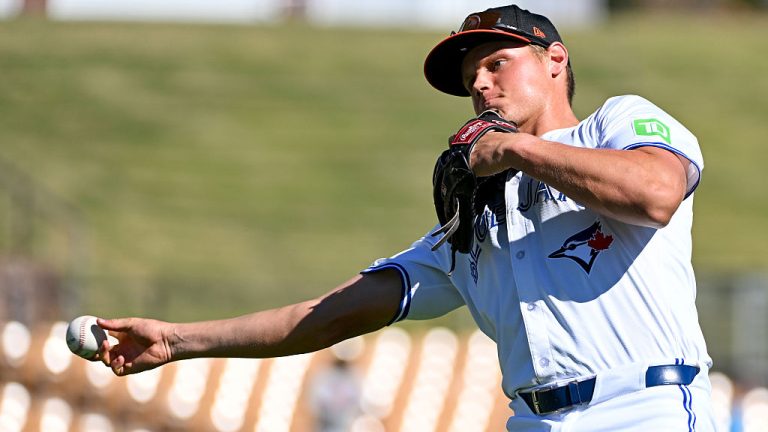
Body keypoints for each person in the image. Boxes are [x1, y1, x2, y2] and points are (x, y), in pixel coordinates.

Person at [96, 5, 715, 431]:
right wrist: (179, 340)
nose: (479, 82)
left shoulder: (614, 125)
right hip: (533, 420)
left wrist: (515, 149)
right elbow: (325, 316)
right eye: (472, 77)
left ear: (555, 59)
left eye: (496, 62)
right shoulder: (472, 218)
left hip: (649, 408)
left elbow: (657, 192)